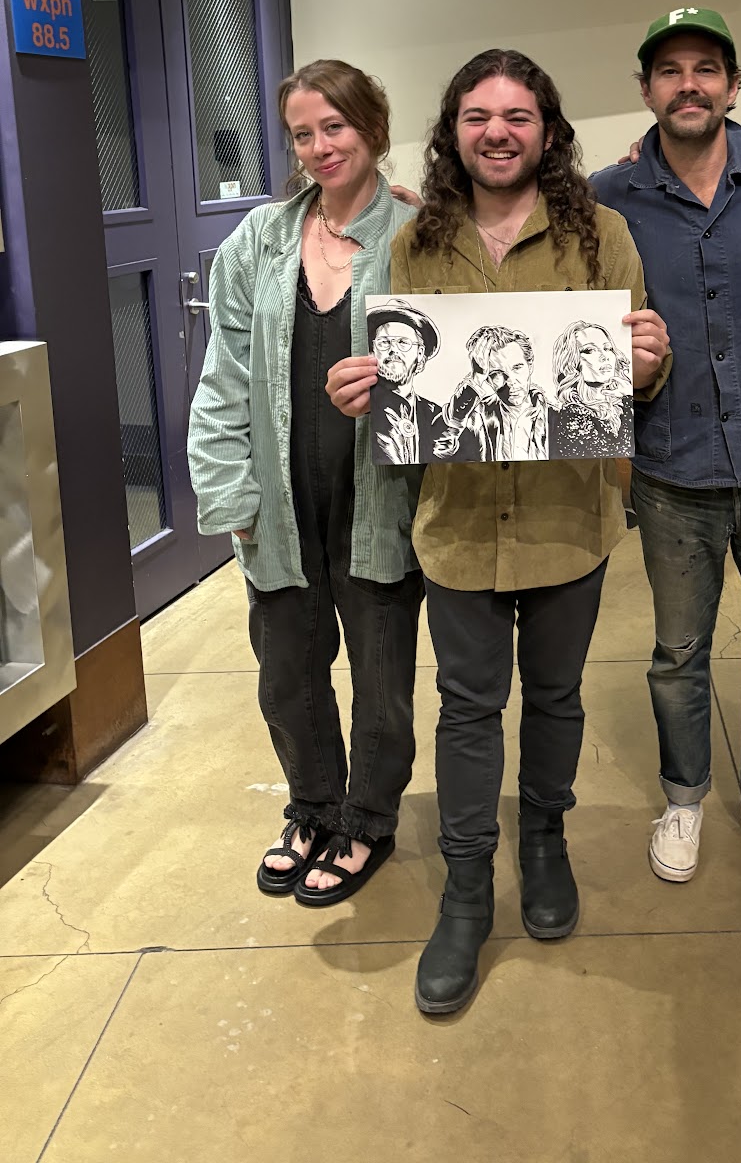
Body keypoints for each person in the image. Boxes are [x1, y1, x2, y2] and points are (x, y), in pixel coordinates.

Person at [327, 48, 670, 1014]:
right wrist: (364, 390)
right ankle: (468, 890)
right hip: (460, 528)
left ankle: (546, 843)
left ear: (548, 132)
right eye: (478, 115)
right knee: (468, 709)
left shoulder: (602, 235)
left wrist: (649, 363)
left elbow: (629, 380)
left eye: (518, 115)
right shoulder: (416, 245)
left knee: (556, 699)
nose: (498, 132)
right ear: (454, 132)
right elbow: (403, 382)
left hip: (568, 522)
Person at [592, 8, 741, 888]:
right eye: (669, 70)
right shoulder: (608, 197)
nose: (688, 84)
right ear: (645, 89)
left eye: (705, 68)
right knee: (679, 654)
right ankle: (684, 799)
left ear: (734, 84)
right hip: (671, 468)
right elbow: (519, 237)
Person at [188, 59, 424, 907]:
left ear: (373, 129)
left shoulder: (419, 236)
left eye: (336, 127)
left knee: (382, 683)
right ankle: (312, 807)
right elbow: (223, 378)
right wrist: (230, 495)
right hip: (280, 506)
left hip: (381, 504)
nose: (321, 147)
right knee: (287, 675)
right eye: (303, 134)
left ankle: (368, 820)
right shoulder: (258, 240)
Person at [438, 323, 550, 461]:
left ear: (530, 366)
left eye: (517, 368)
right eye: (497, 373)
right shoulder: (477, 417)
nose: (511, 381)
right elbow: (439, 448)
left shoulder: (555, 417)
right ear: (487, 378)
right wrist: (476, 379)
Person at [368, 299, 444, 463]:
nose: (393, 349)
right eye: (384, 342)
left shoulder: (435, 416)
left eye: (403, 342)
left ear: (420, 353)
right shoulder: (364, 409)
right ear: (372, 351)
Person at [550, 320, 633, 459]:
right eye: (589, 350)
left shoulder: (622, 404)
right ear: (572, 363)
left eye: (608, 348)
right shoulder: (572, 417)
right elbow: (619, 454)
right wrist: (628, 398)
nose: (604, 356)